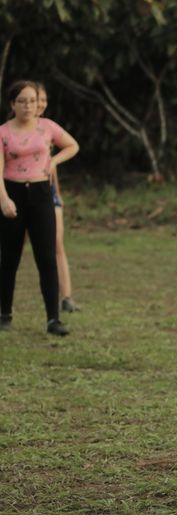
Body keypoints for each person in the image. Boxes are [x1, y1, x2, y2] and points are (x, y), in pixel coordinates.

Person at [0, 80, 79, 336]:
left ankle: (53, 319)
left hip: (41, 193)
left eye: (32, 101)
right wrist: (3, 199)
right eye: (22, 101)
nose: (28, 106)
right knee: (9, 257)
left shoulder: (48, 127)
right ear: (12, 104)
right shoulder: (3, 132)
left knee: (46, 257)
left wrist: (54, 161)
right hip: (12, 194)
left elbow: (72, 145)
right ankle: (4, 313)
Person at [35, 82, 78, 313]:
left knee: (57, 244)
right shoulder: (11, 130)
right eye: (36, 99)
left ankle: (67, 297)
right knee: (11, 250)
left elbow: (52, 166)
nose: (40, 104)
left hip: (48, 192)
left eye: (43, 100)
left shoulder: (48, 128)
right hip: (20, 192)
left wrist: (58, 194)